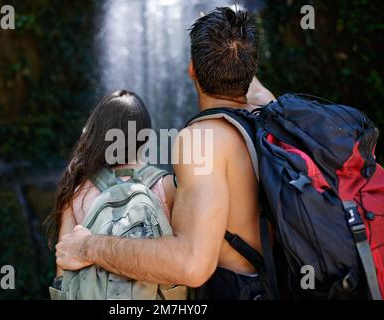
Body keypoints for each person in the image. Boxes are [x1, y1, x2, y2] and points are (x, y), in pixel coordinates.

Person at [56, 7, 276, 299]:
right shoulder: (272, 114)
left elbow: (191, 265)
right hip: (273, 283)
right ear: (251, 67)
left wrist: (88, 246)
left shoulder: (200, 140)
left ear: (192, 70)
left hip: (234, 291)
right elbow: (247, 77)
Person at [51, 89, 176, 278]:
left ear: (98, 134)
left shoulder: (78, 190)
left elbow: (63, 267)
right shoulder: (166, 186)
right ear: (146, 137)